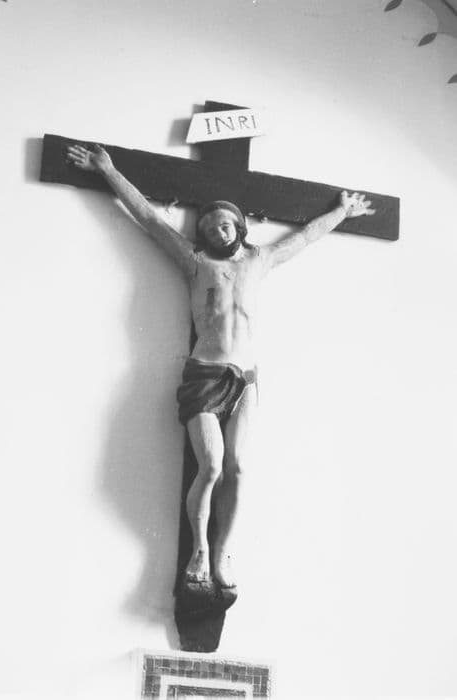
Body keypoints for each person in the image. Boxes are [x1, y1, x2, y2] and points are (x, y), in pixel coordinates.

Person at [67, 144, 375, 589]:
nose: (217, 230)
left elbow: (304, 238)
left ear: (239, 227)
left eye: (225, 224)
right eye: (209, 227)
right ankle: (200, 549)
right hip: (206, 374)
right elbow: (150, 219)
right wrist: (108, 171)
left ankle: (224, 552)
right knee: (210, 465)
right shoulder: (195, 262)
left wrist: (341, 212)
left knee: (239, 468)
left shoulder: (259, 260)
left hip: (245, 379)